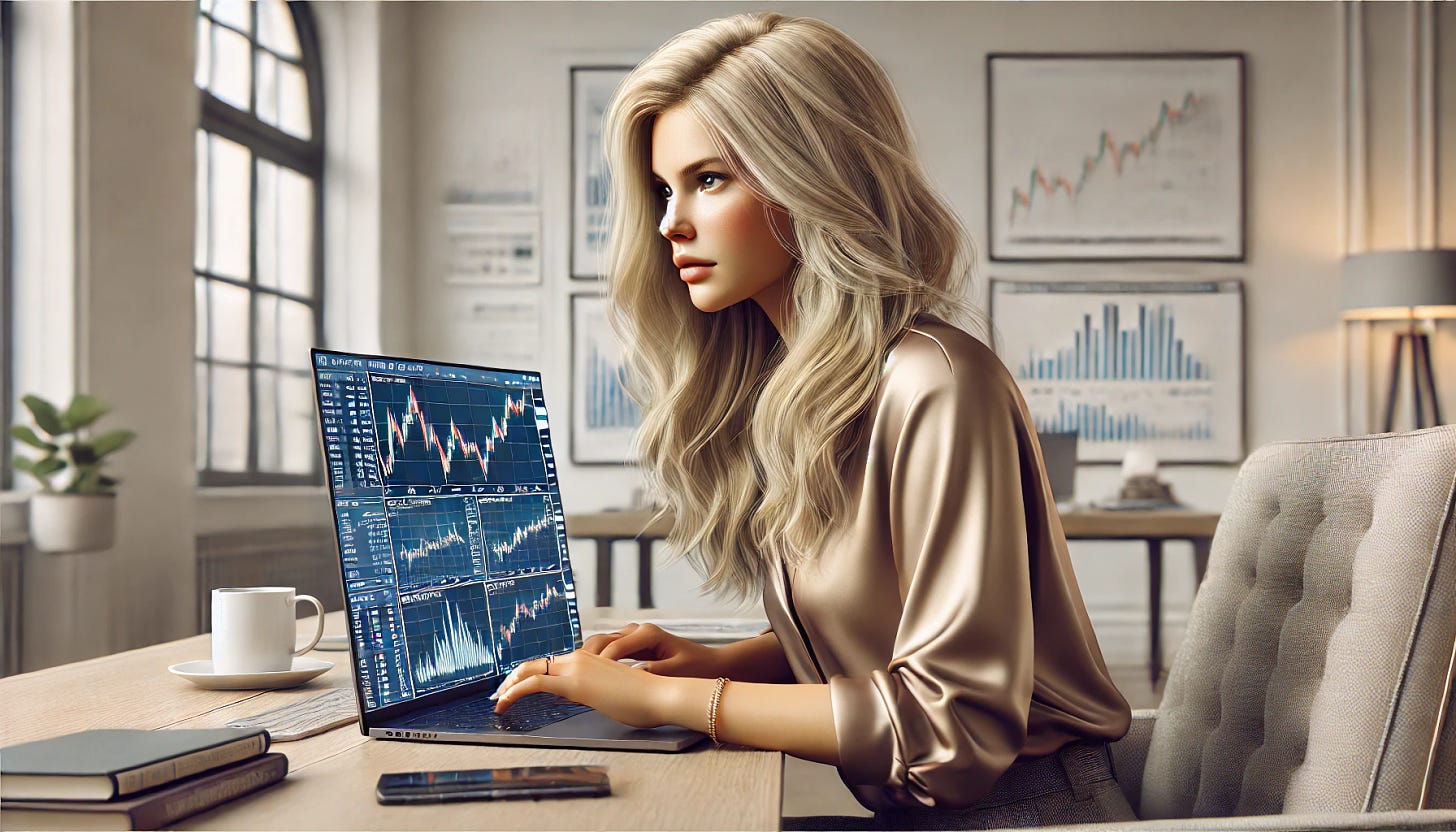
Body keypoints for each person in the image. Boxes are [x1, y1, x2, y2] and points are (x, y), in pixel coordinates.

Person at [491, 12, 1134, 828]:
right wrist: (723, 661)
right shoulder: (802, 388)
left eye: (711, 180)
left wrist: (673, 698)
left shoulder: (936, 382)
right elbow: (892, 642)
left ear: (811, 175)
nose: (669, 225)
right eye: (663, 189)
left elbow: (954, 730)